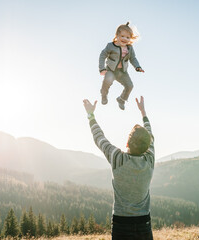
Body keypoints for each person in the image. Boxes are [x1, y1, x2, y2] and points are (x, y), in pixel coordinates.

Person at [83, 96, 154, 240]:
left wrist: (91, 115)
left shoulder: (118, 159)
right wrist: (143, 112)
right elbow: (150, 136)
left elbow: (99, 138)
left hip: (121, 224)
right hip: (144, 223)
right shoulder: (149, 160)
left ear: (127, 143)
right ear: (147, 146)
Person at [99, 22, 145, 110]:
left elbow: (133, 58)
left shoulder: (129, 48)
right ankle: (104, 95)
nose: (125, 39)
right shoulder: (110, 46)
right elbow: (102, 55)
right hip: (111, 70)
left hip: (122, 72)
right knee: (108, 80)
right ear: (117, 35)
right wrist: (102, 68)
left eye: (128, 37)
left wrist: (137, 67)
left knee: (130, 86)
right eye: (122, 36)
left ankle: (121, 99)